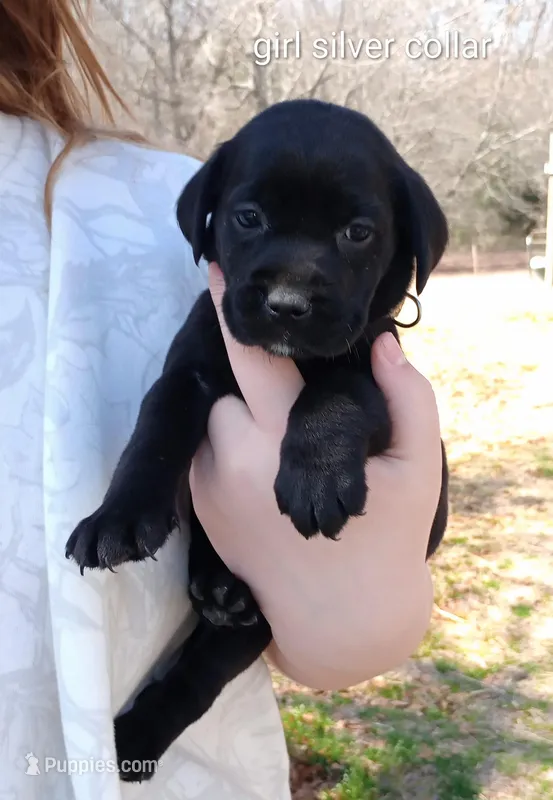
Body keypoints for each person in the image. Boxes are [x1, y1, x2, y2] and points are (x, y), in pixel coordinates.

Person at [0, 1, 443, 798]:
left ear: (410, 248)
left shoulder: (363, 338)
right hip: (208, 586)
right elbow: (179, 392)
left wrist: (360, 582)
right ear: (204, 222)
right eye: (251, 222)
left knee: (216, 649)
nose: (288, 286)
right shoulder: (182, 280)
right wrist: (136, 495)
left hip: (278, 600)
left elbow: (370, 412)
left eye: (352, 236)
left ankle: (147, 731)